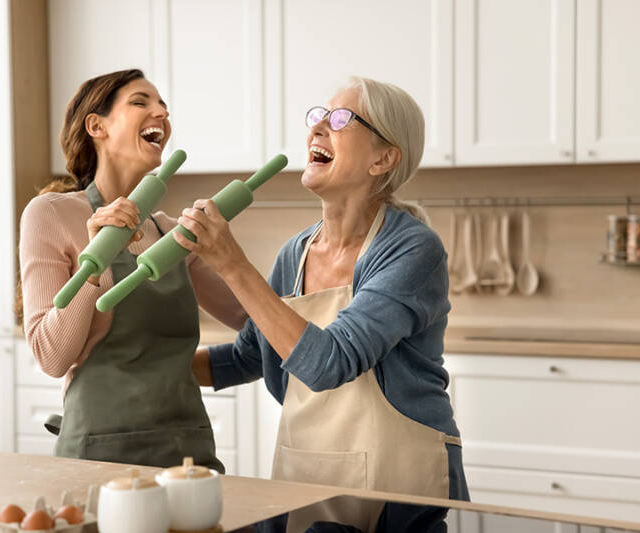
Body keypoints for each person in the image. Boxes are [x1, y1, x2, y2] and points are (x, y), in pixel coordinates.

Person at [178, 77, 469, 499]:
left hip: (402, 481)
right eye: (318, 115)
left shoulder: (412, 249)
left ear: (383, 159)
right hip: (307, 471)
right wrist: (145, 370)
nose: (317, 127)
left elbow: (329, 364)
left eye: (340, 119)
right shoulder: (294, 253)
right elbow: (248, 357)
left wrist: (230, 262)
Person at [18, 69, 247, 471]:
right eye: (141, 102)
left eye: (164, 106)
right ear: (97, 126)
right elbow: (52, 357)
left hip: (189, 455)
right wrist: (97, 257)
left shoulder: (170, 232)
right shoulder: (51, 214)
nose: (160, 112)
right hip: (100, 458)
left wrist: (226, 252)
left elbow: (252, 318)